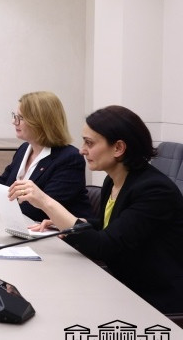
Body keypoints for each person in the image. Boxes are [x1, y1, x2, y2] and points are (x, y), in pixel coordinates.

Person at [16, 105, 183, 314]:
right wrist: (69, 223)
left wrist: (46, 203)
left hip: (154, 302)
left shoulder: (154, 190)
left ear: (118, 148)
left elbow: (104, 246)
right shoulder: (113, 181)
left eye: (89, 143)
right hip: (121, 287)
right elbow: (113, 225)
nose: (81, 150)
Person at [0, 91, 90, 221]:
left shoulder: (69, 159)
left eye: (21, 118)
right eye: (15, 116)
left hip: (58, 233)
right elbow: (4, 183)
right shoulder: (25, 148)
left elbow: (38, 210)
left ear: (40, 122)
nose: (14, 122)